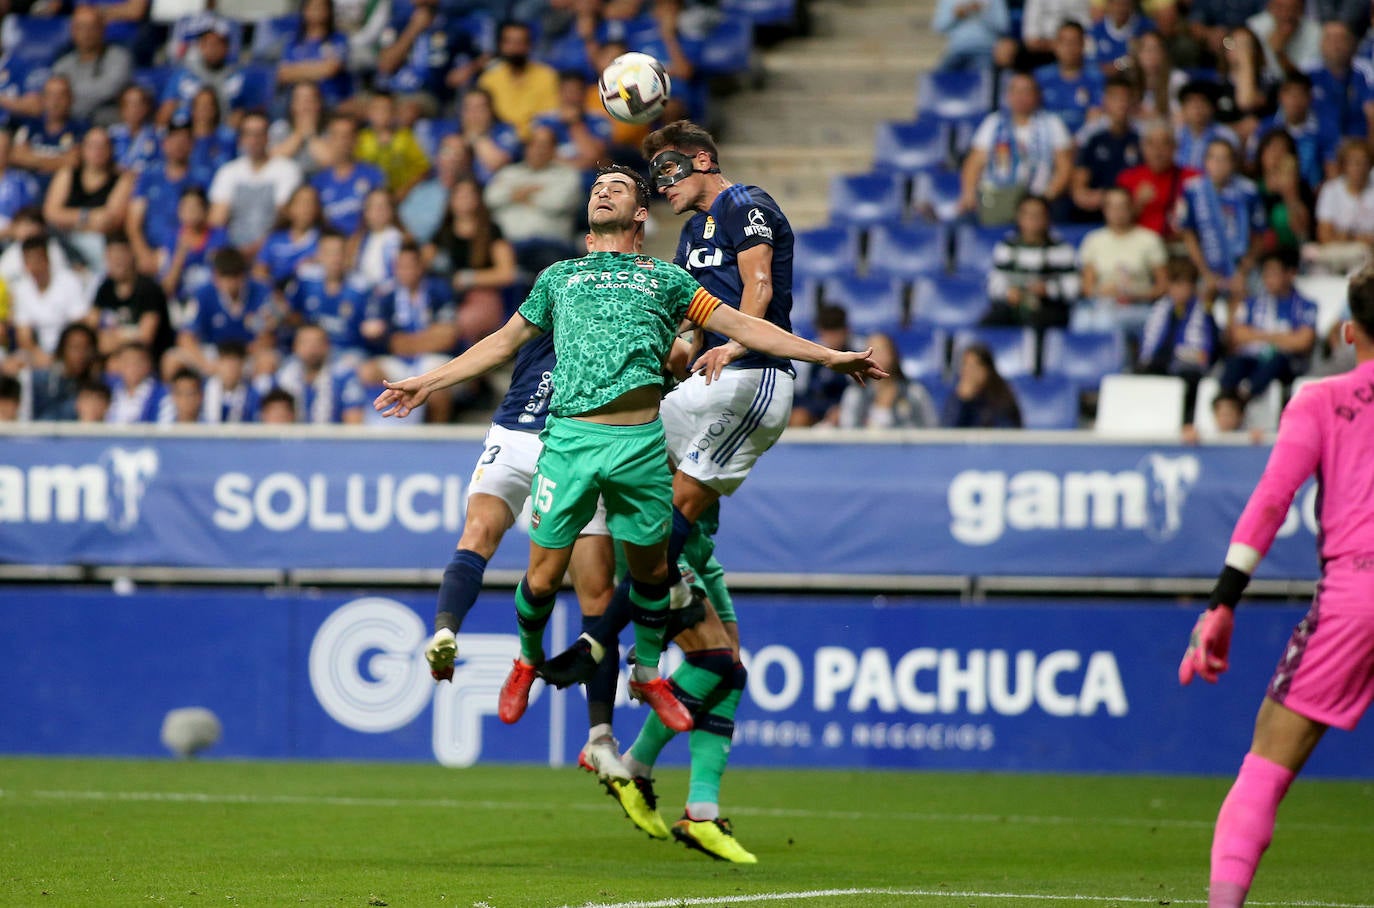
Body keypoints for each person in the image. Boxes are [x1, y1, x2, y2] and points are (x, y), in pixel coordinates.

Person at [374, 164, 884, 736]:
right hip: (569, 442)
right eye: (596, 189)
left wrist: (827, 356)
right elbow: (500, 343)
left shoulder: (667, 281)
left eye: (615, 188)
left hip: (640, 444)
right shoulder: (559, 277)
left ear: (641, 213)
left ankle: (646, 673)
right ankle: (526, 660)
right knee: (542, 578)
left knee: (652, 570)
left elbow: (745, 325)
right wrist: (428, 381)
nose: (601, 193)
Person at [1179, 263, 1374, 908]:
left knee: (1266, 764)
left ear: (1348, 331)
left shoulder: (1320, 400)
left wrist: (1221, 603)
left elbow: (1270, 501)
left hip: (1356, 596)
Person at [960, 72, 1075, 224]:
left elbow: (1065, 167)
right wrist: (968, 194)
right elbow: (974, 163)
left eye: (1026, 91)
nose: (1021, 97)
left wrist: (1047, 196)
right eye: (1016, 91)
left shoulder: (1052, 123)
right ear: (1008, 96)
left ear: (1037, 95)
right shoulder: (994, 122)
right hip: (999, 197)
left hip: (1040, 198)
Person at [1220, 248, 1318, 399]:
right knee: (1234, 362)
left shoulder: (1305, 305)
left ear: (1290, 274)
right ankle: (1227, 399)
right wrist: (1282, 337)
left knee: (1277, 360)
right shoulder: (1253, 302)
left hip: (1286, 365)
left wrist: (1256, 335)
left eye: (1274, 274)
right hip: (1253, 358)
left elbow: (1303, 342)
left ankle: (1243, 397)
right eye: (1265, 274)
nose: (1268, 280)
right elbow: (1238, 335)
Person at [1178, 138, 1267, 303]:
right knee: (1200, 302)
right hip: (1206, 268)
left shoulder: (1248, 190)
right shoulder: (1193, 190)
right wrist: (1205, 273)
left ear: (1233, 163)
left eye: (1224, 159)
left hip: (1243, 267)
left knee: (1249, 299)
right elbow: (1188, 235)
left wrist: (1242, 272)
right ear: (1205, 161)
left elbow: (1259, 235)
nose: (1218, 164)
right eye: (1213, 158)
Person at [207, 111, 303, 258]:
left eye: (259, 134)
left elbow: (283, 216)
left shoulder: (287, 169)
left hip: (273, 250)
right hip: (234, 252)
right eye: (249, 134)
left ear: (267, 137)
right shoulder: (228, 172)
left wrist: (257, 248)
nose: (254, 140)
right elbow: (217, 220)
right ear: (241, 139)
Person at [1075, 186, 1169, 335]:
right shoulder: (1093, 240)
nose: (1117, 212)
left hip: (1139, 305)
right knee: (1082, 320)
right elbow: (1087, 287)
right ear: (1104, 210)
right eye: (1112, 207)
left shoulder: (1149, 239)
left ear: (1131, 208)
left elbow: (1163, 286)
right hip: (1103, 304)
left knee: (1106, 321)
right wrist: (1102, 292)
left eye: (1122, 206)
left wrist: (1135, 294)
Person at [1138, 256, 1220, 421]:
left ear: (1193, 287)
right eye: (1175, 284)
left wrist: (1179, 354)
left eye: (1184, 285)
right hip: (1161, 364)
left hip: (1189, 368)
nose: (1179, 290)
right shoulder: (1160, 308)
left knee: (1187, 377)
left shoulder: (1203, 311)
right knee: (1143, 372)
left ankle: (1185, 422)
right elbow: (1148, 346)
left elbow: (1206, 353)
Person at [982, 194, 1079, 331]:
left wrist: (1048, 290)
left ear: (1047, 218)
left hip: (1049, 308)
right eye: (1027, 214)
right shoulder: (1006, 247)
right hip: (1013, 306)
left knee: (1038, 322)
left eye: (1037, 215)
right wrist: (1008, 293)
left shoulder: (1061, 249)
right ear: (1018, 217)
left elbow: (1073, 287)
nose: (1032, 220)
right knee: (988, 323)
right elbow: (993, 283)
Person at [88, 231, 175, 360]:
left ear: (132, 254)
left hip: (148, 359)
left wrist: (112, 339)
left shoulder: (149, 289)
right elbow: (90, 327)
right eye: (112, 256)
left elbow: (145, 337)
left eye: (121, 255)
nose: (117, 261)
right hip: (114, 358)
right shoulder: (105, 288)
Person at [10, 236, 90, 369]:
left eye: (37, 260)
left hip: (68, 348)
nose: (34, 266)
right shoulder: (21, 289)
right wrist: (39, 356)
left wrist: (62, 355)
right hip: (38, 352)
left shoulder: (69, 281)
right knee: (10, 366)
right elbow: (24, 335)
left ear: (47, 260)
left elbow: (79, 324)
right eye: (29, 261)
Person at [476, 20, 560, 142]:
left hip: (534, 140)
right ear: (501, 46)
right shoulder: (488, 79)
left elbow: (549, 115)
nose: (515, 48)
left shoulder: (547, 76)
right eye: (510, 42)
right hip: (499, 139)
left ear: (529, 45)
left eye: (520, 42)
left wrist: (524, 134)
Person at [838, 331, 938, 428]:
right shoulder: (855, 394)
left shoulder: (914, 392)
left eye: (882, 351)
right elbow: (848, 431)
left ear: (893, 355)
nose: (878, 357)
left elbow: (932, 429)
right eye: (871, 353)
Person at [51, 5, 131, 125]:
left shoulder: (119, 57)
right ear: (72, 31)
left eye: (92, 27)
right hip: (70, 124)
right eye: (81, 27)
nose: (86, 33)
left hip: (106, 124)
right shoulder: (62, 64)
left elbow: (107, 91)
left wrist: (66, 96)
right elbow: (52, 94)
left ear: (103, 29)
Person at [1119, 121, 1197, 241]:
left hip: (1181, 244)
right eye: (1151, 144)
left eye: (1164, 144)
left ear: (1175, 147)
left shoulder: (1193, 179)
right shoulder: (1127, 178)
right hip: (1140, 246)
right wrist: (1138, 204)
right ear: (1142, 147)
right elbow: (1117, 224)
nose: (1157, 151)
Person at [106, 341, 168, 424]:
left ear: (149, 364)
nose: (132, 367)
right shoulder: (109, 389)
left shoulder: (162, 393)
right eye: (127, 361)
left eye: (137, 362)